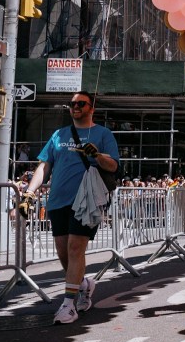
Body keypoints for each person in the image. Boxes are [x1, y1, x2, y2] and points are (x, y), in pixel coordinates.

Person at [24, 91, 119, 325]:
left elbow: (114, 166)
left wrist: (97, 155)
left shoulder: (103, 134)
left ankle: (68, 305)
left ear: (92, 108)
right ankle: (84, 284)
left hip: (86, 201)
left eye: (81, 104)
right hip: (58, 201)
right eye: (72, 104)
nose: (75, 107)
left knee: (76, 248)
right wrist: (29, 192)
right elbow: (44, 166)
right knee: (64, 252)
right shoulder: (58, 134)